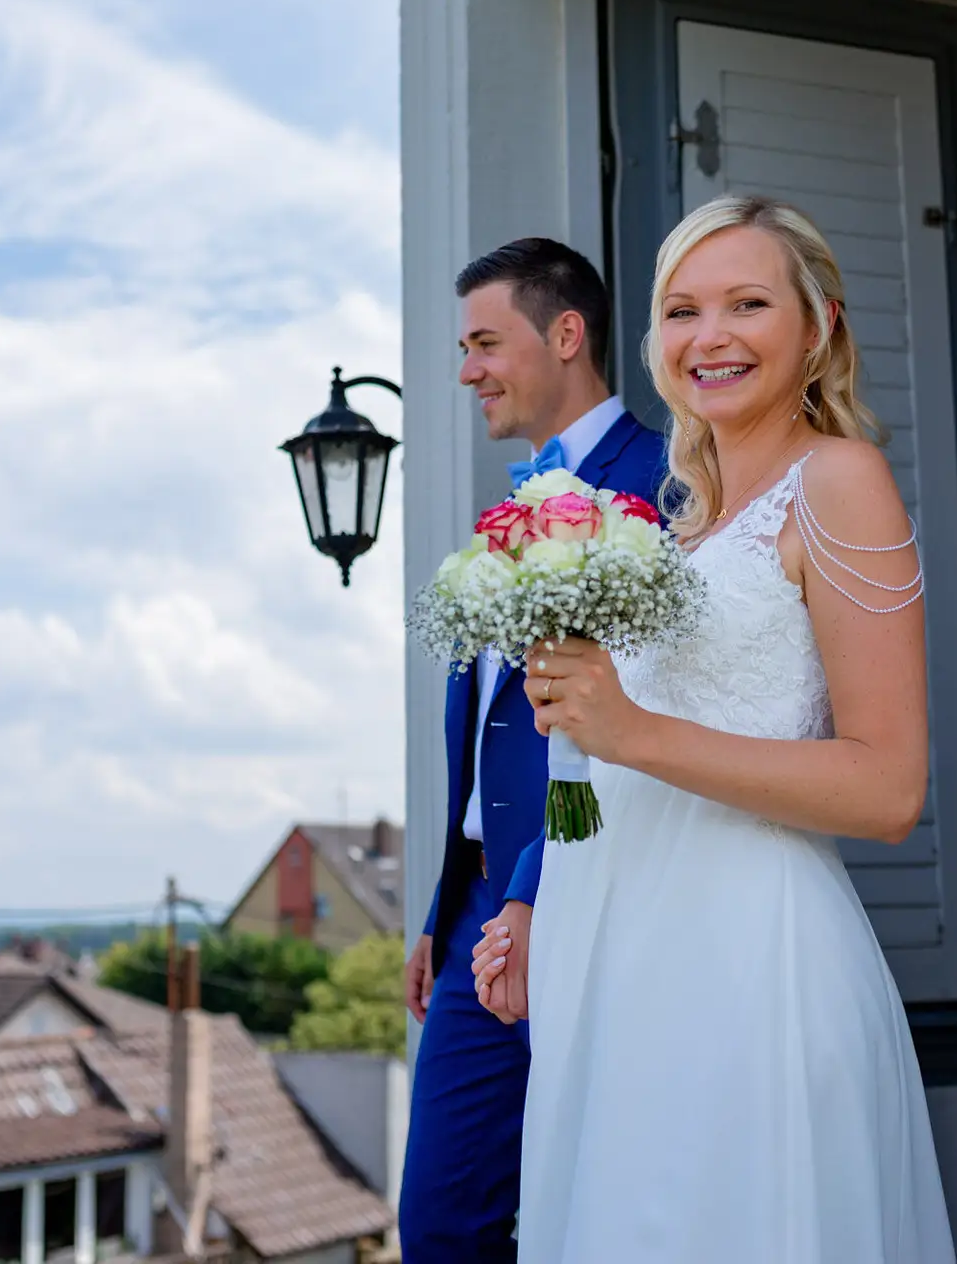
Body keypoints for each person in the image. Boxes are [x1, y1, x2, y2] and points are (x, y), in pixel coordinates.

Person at [473, 195, 956, 1261]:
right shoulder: (679, 526)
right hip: (615, 976)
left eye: (748, 303)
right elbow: (604, 761)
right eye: (683, 309)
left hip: (746, 973)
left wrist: (630, 729)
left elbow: (889, 788)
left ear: (818, 323)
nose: (712, 335)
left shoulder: (838, 480)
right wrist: (533, 899)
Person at [397, 237, 668, 1264]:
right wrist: (445, 899)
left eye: (482, 341)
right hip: (478, 908)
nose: (466, 369)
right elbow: (492, 730)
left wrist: (527, 887)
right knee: (443, 1221)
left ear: (565, 333)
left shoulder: (666, 487)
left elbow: (628, 726)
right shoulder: (508, 508)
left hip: (587, 886)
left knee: (592, 1205)